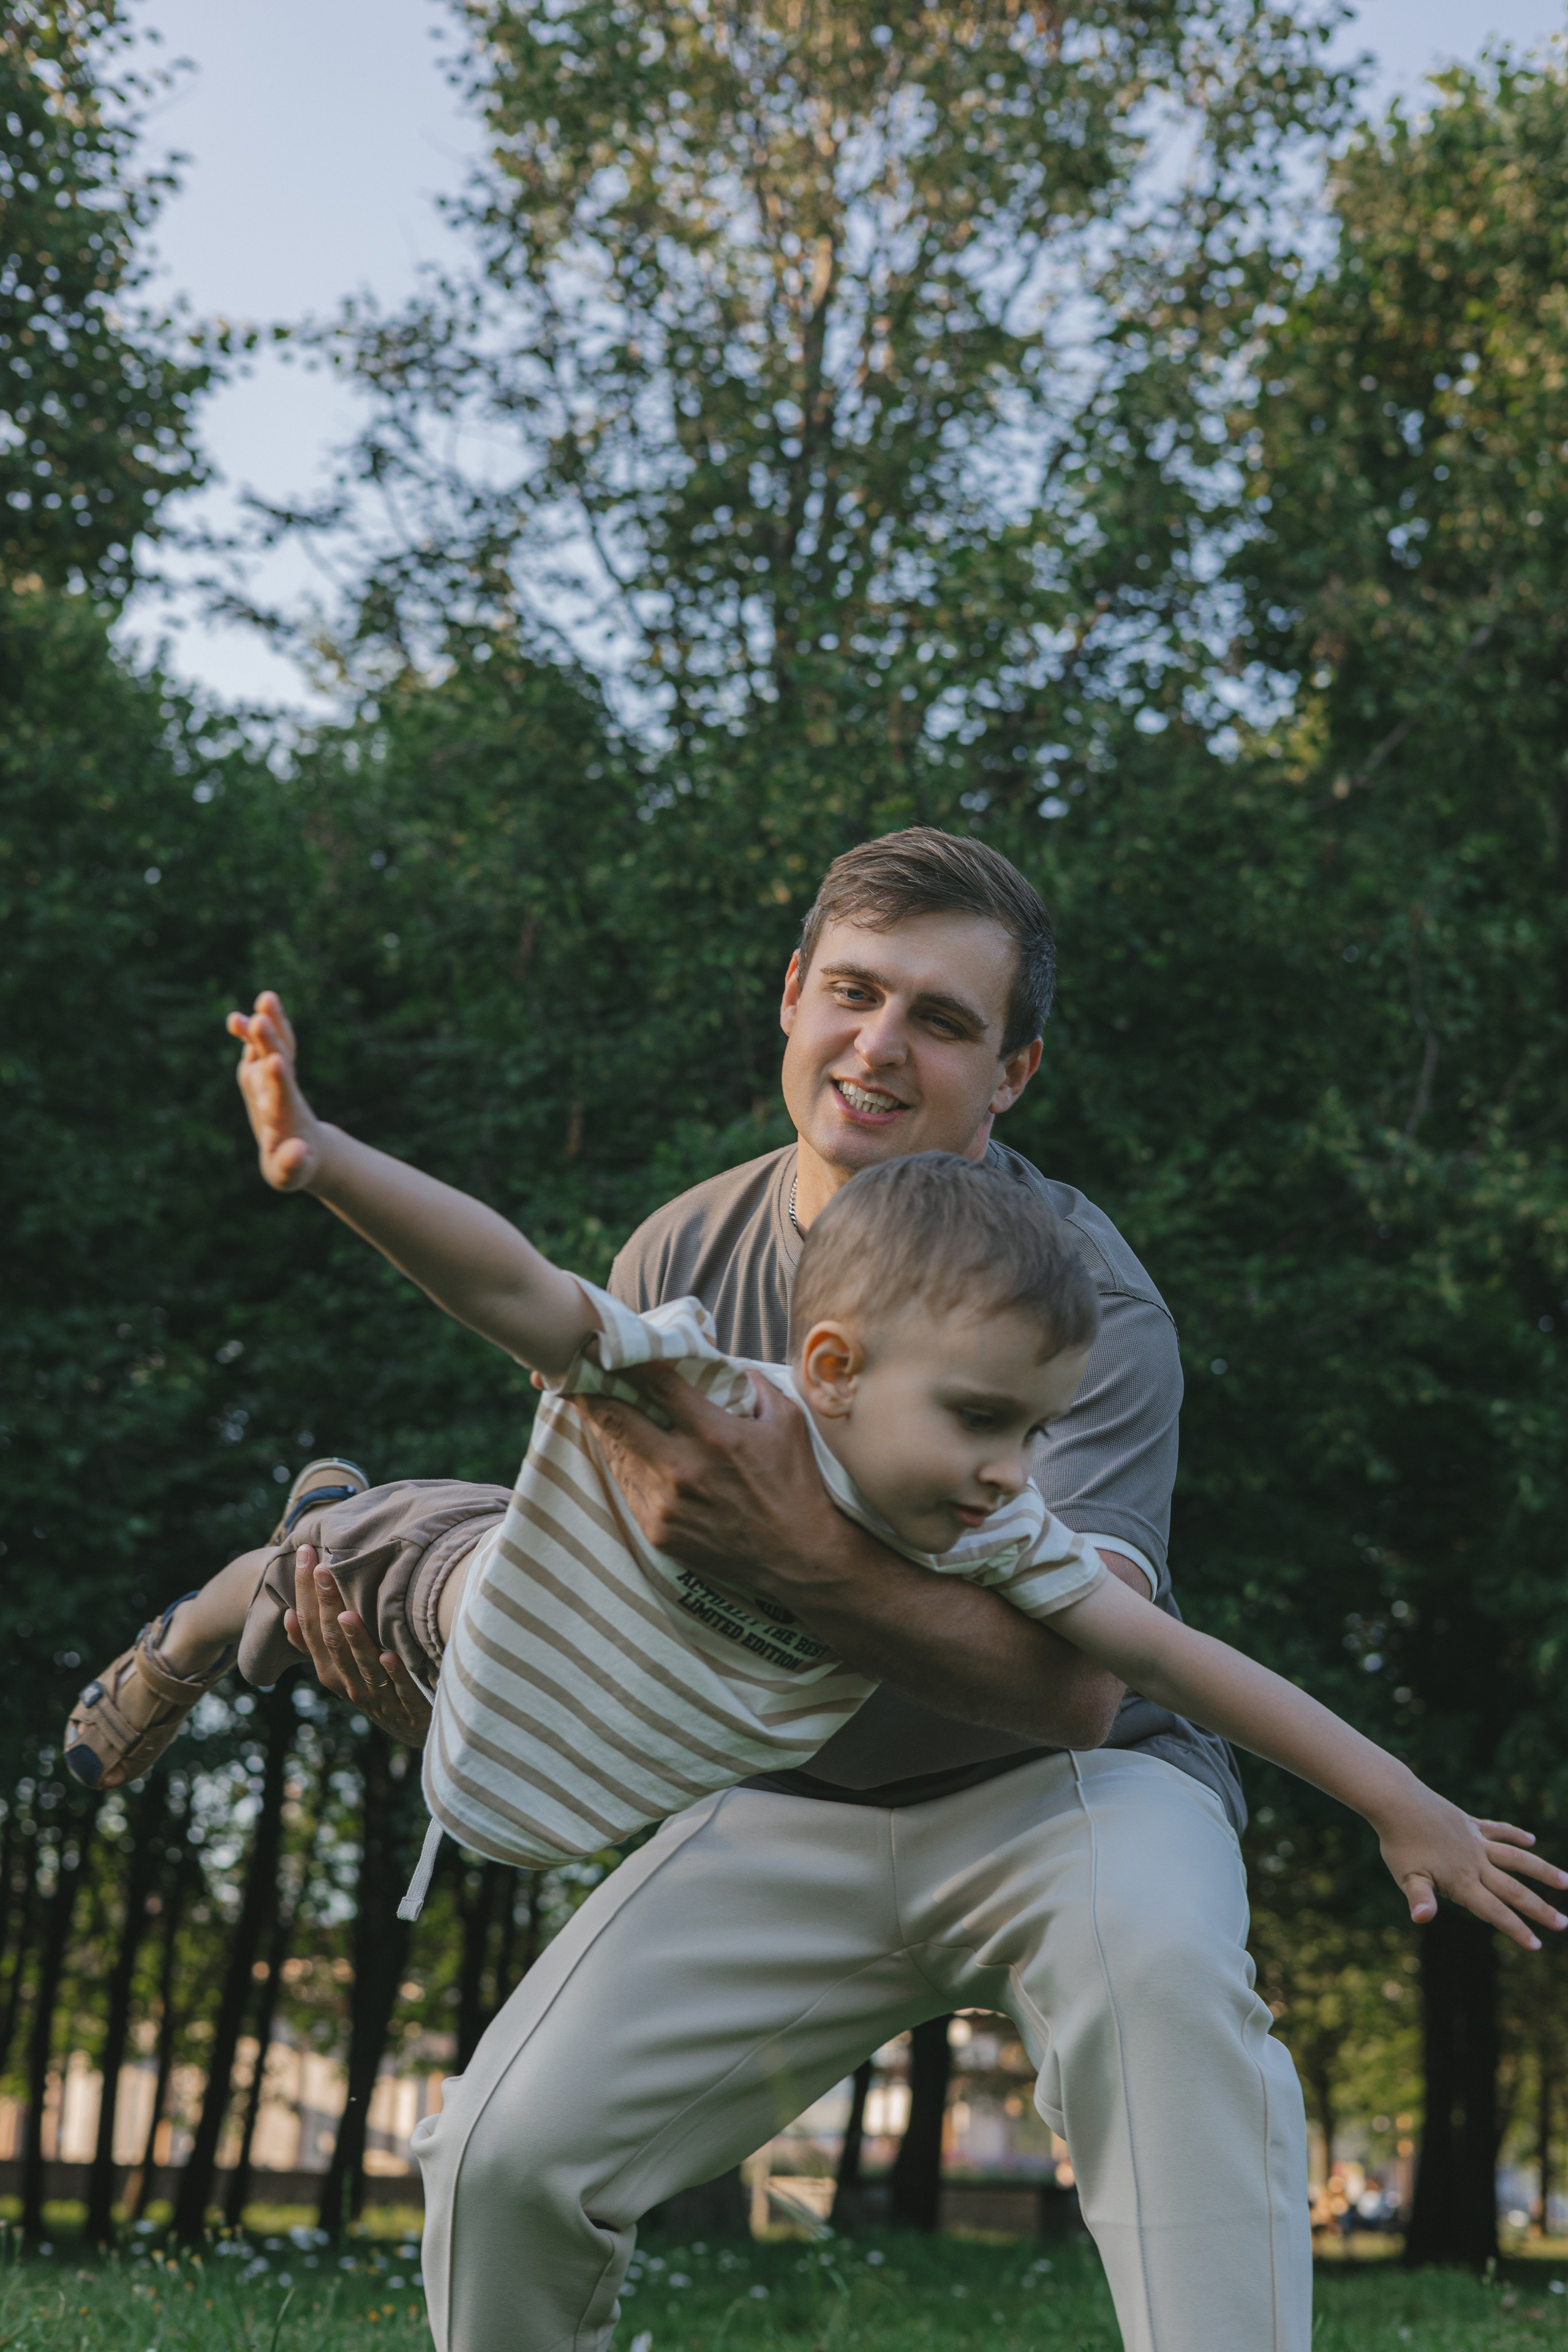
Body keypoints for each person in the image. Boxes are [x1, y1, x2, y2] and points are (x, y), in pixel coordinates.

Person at [63, 1003, 1558, 1961]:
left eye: (1035, 1433)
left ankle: (288, 1583)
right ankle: (214, 1615)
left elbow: (1178, 1664)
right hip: (501, 1582)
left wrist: (1396, 1800)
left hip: (632, 1711)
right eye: (983, 1420)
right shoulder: (714, 1385)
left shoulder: (999, 1530)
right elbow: (514, 1284)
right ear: (833, 1370)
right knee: (329, 1578)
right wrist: (321, 1159)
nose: (1011, 1471)